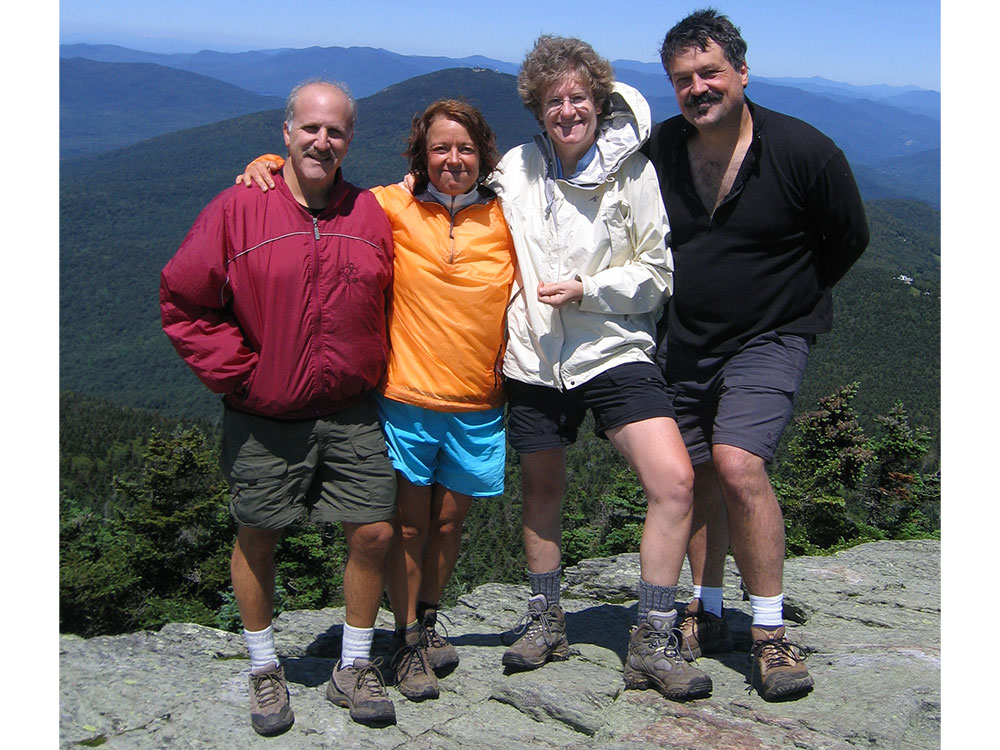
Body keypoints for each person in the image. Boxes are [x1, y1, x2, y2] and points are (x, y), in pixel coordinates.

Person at [237, 100, 516, 702]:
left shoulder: (507, 218)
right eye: (440, 148)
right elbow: (320, 191)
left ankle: (429, 619)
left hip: (480, 401)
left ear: (483, 156)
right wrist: (269, 163)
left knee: (448, 522)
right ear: (421, 154)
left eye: (465, 149)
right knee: (408, 528)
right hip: (407, 395)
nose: (453, 160)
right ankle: (406, 638)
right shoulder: (388, 205)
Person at [643, 9, 870, 701]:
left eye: (711, 72)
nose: (698, 88)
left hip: (771, 335)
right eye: (683, 79)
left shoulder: (804, 151)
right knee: (696, 471)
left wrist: (789, 302)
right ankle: (706, 612)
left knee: (740, 464)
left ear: (742, 72)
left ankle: (769, 632)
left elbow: (847, 237)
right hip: (684, 339)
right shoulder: (661, 151)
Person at [160, 80, 400, 732]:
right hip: (264, 414)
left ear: (351, 140)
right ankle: (266, 670)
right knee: (258, 534)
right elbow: (184, 299)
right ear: (286, 133)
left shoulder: (371, 214)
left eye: (337, 131)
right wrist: (237, 374)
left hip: (351, 407)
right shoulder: (239, 207)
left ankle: (353, 665)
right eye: (310, 128)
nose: (323, 140)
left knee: (375, 528)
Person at [488, 35, 711, 701]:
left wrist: (589, 287)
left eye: (578, 97)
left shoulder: (633, 173)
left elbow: (657, 274)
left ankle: (652, 635)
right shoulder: (517, 167)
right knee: (541, 491)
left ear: (599, 99)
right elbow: (453, 197)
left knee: (673, 482)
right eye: (553, 99)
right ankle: (546, 618)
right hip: (534, 353)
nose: (566, 109)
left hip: (613, 347)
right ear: (538, 107)